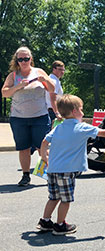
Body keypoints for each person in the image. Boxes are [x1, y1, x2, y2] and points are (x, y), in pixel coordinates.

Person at [37, 94, 105, 235]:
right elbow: (102, 133)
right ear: (74, 111)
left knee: (53, 197)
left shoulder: (58, 127)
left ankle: (45, 221)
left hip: (52, 169)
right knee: (65, 200)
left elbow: (44, 142)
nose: (83, 112)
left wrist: (44, 157)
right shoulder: (82, 127)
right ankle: (60, 225)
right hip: (67, 170)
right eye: (81, 109)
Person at [1, 46, 55, 186]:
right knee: (23, 147)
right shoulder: (13, 76)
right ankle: (26, 176)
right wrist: (17, 87)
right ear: (16, 61)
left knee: (42, 146)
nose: (24, 61)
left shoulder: (38, 72)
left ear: (31, 59)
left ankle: (49, 174)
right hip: (19, 118)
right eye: (21, 59)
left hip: (40, 117)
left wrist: (46, 80)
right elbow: (5, 93)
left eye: (26, 58)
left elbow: (52, 89)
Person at [46, 60, 65, 125]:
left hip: (50, 111)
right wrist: (57, 113)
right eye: (60, 69)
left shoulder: (52, 79)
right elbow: (53, 98)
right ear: (54, 69)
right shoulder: (53, 81)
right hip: (52, 111)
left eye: (63, 70)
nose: (62, 72)